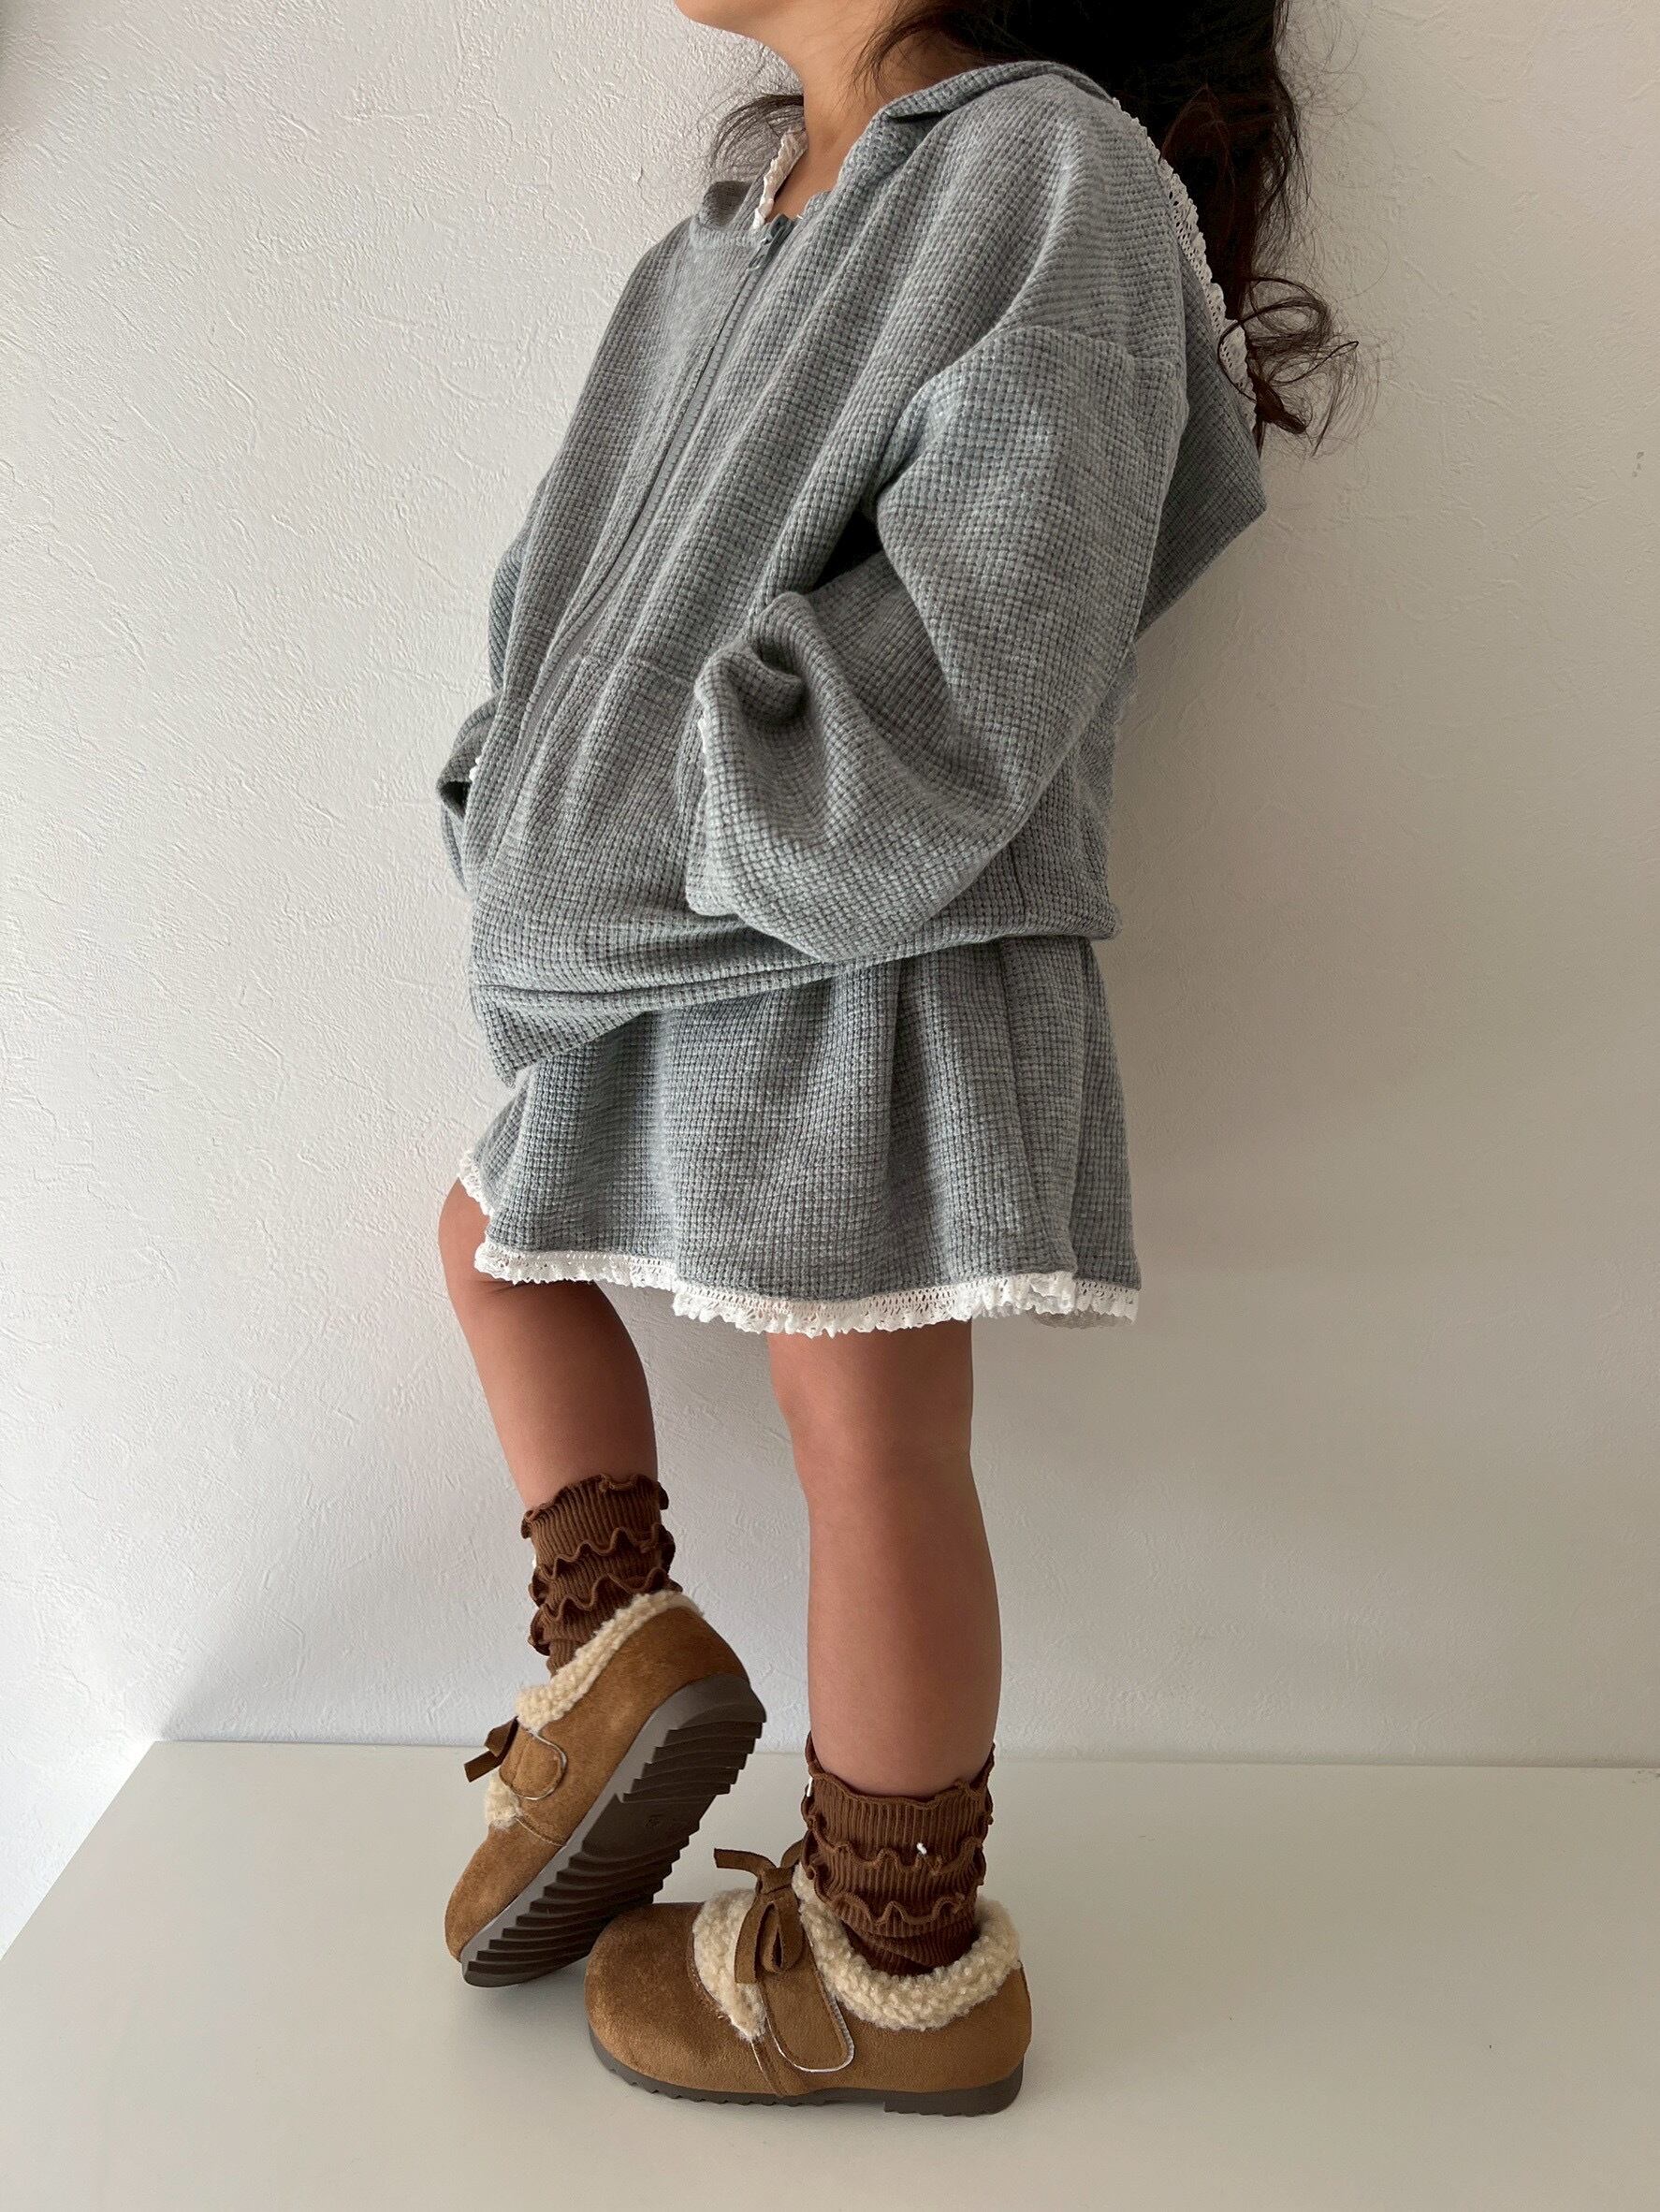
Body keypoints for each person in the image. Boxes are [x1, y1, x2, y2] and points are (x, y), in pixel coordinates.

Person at [434, 0, 1349, 2115]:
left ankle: (896, 1961)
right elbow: (563, 585)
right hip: (648, 928)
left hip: (867, 927)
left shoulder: (1049, 175)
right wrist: (524, 789)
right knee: (487, 1244)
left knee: (862, 1420)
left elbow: (999, 613)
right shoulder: (716, 244)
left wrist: (717, 792)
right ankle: (612, 1660)